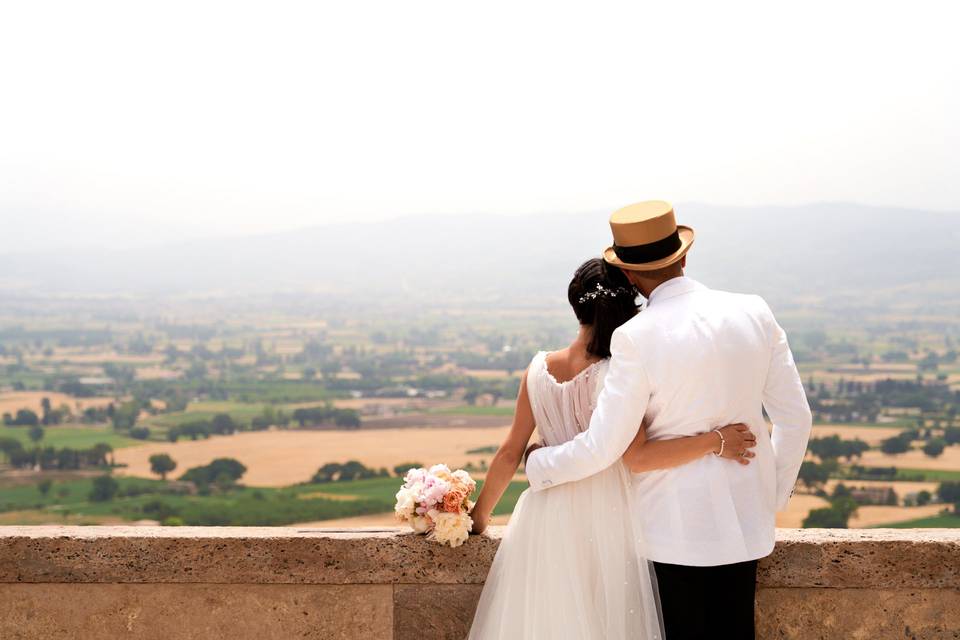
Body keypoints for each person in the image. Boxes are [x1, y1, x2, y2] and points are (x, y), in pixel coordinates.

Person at [524, 201, 813, 639]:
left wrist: (538, 465)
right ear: (683, 256)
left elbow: (606, 447)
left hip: (670, 534)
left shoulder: (635, 337)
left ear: (627, 274)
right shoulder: (754, 311)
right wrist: (767, 496)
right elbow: (796, 419)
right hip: (747, 529)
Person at [467, 256, 757, 640]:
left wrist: (478, 517)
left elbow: (508, 454)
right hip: (609, 516)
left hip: (543, 516)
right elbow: (636, 455)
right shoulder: (617, 372)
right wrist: (715, 442)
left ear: (576, 304)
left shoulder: (537, 369)